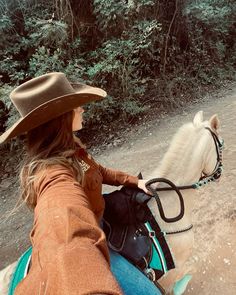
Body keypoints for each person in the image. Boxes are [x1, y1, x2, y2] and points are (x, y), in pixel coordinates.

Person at [0, 72, 161, 295]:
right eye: (76, 106)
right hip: (92, 233)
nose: (82, 109)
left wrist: (135, 181)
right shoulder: (52, 173)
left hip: (101, 219)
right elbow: (62, 220)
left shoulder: (72, 148)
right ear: (61, 119)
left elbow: (100, 171)